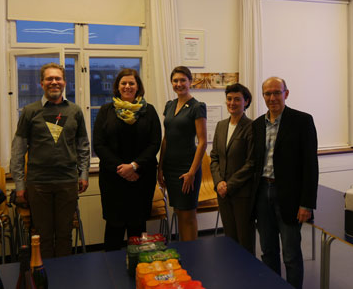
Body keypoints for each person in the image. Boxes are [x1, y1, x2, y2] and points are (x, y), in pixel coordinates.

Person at [10, 62, 90, 258]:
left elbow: (83, 146)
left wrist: (84, 174)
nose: (54, 82)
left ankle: (63, 279)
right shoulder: (29, 111)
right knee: (42, 237)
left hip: (67, 182)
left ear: (64, 82)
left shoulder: (75, 111)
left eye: (58, 78)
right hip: (38, 184)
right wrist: (19, 184)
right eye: (49, 79)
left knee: (64, 235)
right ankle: (44, 278)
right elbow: (18, 151)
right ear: (41, 83)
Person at [252, 77, 319, 289]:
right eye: (267, 94)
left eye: (276, 93)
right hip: (262, 193)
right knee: (268, 251)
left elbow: (310, 166)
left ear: (286, 94)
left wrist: (306, 204)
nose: (272, 98)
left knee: (290, 254)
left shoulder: (302, 121)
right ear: (263, 96)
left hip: (289, 196)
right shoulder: (256, 125)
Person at [93, 68, 161, 251]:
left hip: (141, 178)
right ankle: (111, 272)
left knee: (137, 228)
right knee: (114, 227)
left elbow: (155, 143)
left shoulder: (149, 111)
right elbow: (98, 144)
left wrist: (134, 166)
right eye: (123, 83)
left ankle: (138, 270)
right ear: (117, 87)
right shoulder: (106, 111)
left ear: (138, 86)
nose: (127, 86)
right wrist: (122, 169)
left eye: (131, 83)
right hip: (113, 179)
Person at [158, 66, 207, 241]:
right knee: (178, 211)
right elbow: (166, 139)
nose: (179, 84)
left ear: (190, 82)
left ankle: (191, 253)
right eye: (175, 81)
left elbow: (202, 142)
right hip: (170, 167)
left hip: (187, 167)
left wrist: (192, 172)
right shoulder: (169, 105)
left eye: (182, 80)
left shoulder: (197, 107)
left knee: (188, 215)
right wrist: (160, 168)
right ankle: (184, 252)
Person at [209, 83, 255, 254]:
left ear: (246, 101)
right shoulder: (221, 126)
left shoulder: (251, 127)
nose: (232, 103)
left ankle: (248, 275)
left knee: (245, 239)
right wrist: (219, 182)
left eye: (237, 99)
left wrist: (230, 184)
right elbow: (214, 157)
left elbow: (252, 163)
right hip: (222, 192)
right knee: (230, 238)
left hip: (242, 193)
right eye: (229, 99)